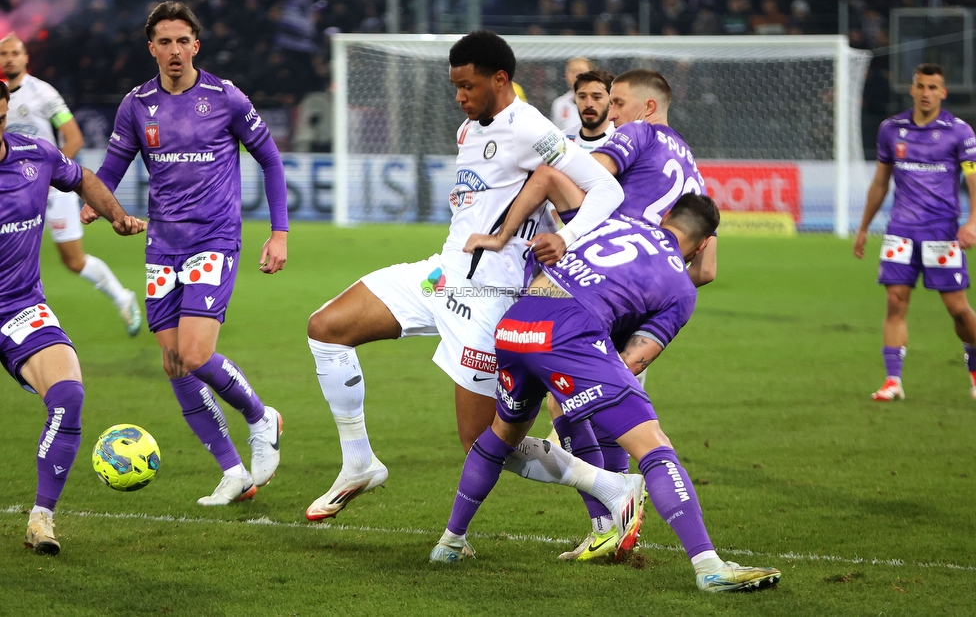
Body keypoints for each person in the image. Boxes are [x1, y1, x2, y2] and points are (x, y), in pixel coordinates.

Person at [305, 30, 624, 522]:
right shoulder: (468, 130)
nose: (459, 97)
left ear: (500, 80)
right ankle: (359, 462)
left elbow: (606, 190)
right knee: (325, 328)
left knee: (482, 439)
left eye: (468, 86)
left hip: (488, 300)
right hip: (441, 275)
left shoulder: (529, 127)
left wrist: (568, 237)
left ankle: (611, 486)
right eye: (454, 86)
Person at [433, 195, 782, 593]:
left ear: (666, 217)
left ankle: (450, 543)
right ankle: (709, 566)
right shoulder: (682, 289)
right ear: (702, 245)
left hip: (517, 324)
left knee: (499, 436)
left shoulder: (619, 224)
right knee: (654, 446)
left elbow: (547, 256)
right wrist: (589, 372)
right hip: (570, 332)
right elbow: (633, 359)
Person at [466, 68, 718, 560]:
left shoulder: (638, 134)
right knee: (613, 414)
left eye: (618, 103)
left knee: (568, 407)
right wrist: (662, 286)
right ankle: (619, 522)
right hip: (647, 293)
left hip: (597, 284)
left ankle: (608, 520)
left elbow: (579, 174)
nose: (611, 113)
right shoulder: (694, 174)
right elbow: (705, 270)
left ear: (647, 107)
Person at [88, 2, 288, 505]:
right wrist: (102, 207)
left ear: (196, 45)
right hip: (162, 245)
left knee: (197, 353)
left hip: (214, 238)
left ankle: (262, 417)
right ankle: (232, 471)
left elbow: (270, 159)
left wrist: (278, 232)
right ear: (151, 47)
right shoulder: (136, 104)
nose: (174, 51)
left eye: (183, 41)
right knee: (175, 362)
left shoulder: (226, 97)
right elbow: (112, 167)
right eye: (164, 42)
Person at [0, 80, 147, 555]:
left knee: (68, 396)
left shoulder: (34, 155)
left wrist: (114, 214)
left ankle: (41, 520)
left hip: (20, 305)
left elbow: (81, 177)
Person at [0, 34, 141, 336]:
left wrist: (49, 178)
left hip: (49, 189)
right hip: (12, 192)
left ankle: (123, 297)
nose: (9, 59)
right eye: (3, 54)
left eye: (15, 52)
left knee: (74, 261)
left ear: (26, 58)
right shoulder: (2, 98)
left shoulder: (43, 94)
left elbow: (74, 137)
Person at [854, 63, 976, 401]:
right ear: (912, 89)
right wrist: (863, 228)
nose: (926, 93)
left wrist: (973, 222)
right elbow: (880, 182)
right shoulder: (891, 130)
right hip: (900, 232)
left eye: (933, 88)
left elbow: (973, 179)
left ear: (943, 92)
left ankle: (975, 367)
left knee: (958, 309)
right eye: (921, 86)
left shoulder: (959, 132)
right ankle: (893, 381)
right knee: (895, 302)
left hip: (942, 234)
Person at [563, 69, 615, 152]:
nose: (588, 104)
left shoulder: (622, 142)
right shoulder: (563, 140)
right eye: (582, 97)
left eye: (597, 97)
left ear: (611, 101)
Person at [550, 57, 595, 131]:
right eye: (572, 72)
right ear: (566, 75)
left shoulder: (604, 101)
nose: (576, 76)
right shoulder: (559, 104)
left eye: (581, 71)